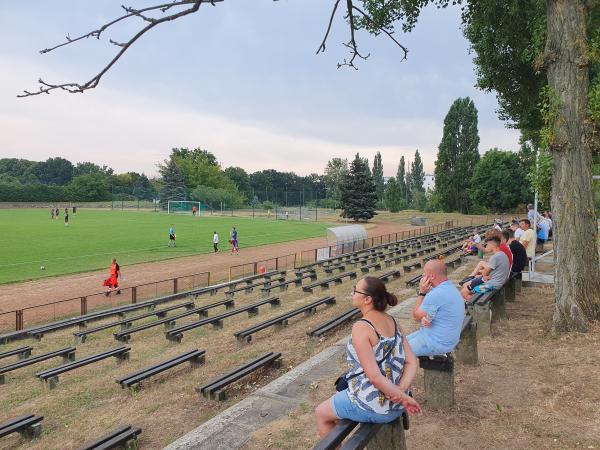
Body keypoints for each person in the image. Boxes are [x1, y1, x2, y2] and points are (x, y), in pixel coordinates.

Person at [314, 277, 421, 436]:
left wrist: (400, 395)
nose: (352, 293)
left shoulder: (362, 327)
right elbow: (412, 361)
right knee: (337, 403)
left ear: (367, 299)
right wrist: (401, 392)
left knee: (321, 413)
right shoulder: (393, 321)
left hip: (375, 406)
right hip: (397, 405)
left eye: (355, 290)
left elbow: (375, 378)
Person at [407, 260, 465, 357]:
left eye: (424, 274)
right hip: (444, 338)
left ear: (432, 276)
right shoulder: (450, 287)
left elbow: (416, 317)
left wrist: (422, 293)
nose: (423, 276)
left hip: (436, 342)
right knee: (399, 341)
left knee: (395, 352)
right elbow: (434, 312)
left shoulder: (436, 294)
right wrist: (426, 319)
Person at [460, 236, 510, 301]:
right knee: (466, 284)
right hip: (497, 282)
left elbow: (485, 274)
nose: (486, 246)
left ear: (492, 245)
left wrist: (483, 272)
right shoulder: (502, 254)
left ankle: (476, 307)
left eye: (487, 244)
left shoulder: (495, 257)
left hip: (492, 285)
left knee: (463, 292)